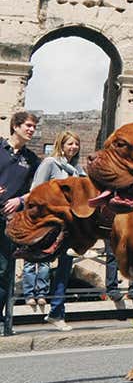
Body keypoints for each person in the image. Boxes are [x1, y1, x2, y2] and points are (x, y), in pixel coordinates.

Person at [26, 130, 84, 330]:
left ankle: (56, 313)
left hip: (67, 226)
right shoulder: (50, 164)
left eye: (76, 144)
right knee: (37, 261)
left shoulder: (76, 169)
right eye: (70, 144)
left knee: (64, 269)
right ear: (61, 144)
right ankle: (29, 299)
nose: (73, 147)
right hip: (49, 223)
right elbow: (36, 190)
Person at [1, 111, 40, 330]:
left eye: (33, 126)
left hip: (8, 219)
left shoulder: (32, 159)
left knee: (3, 269)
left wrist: (19, 200)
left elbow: (35, 191)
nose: (31, 130)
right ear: (15, 126)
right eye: (28, 125)